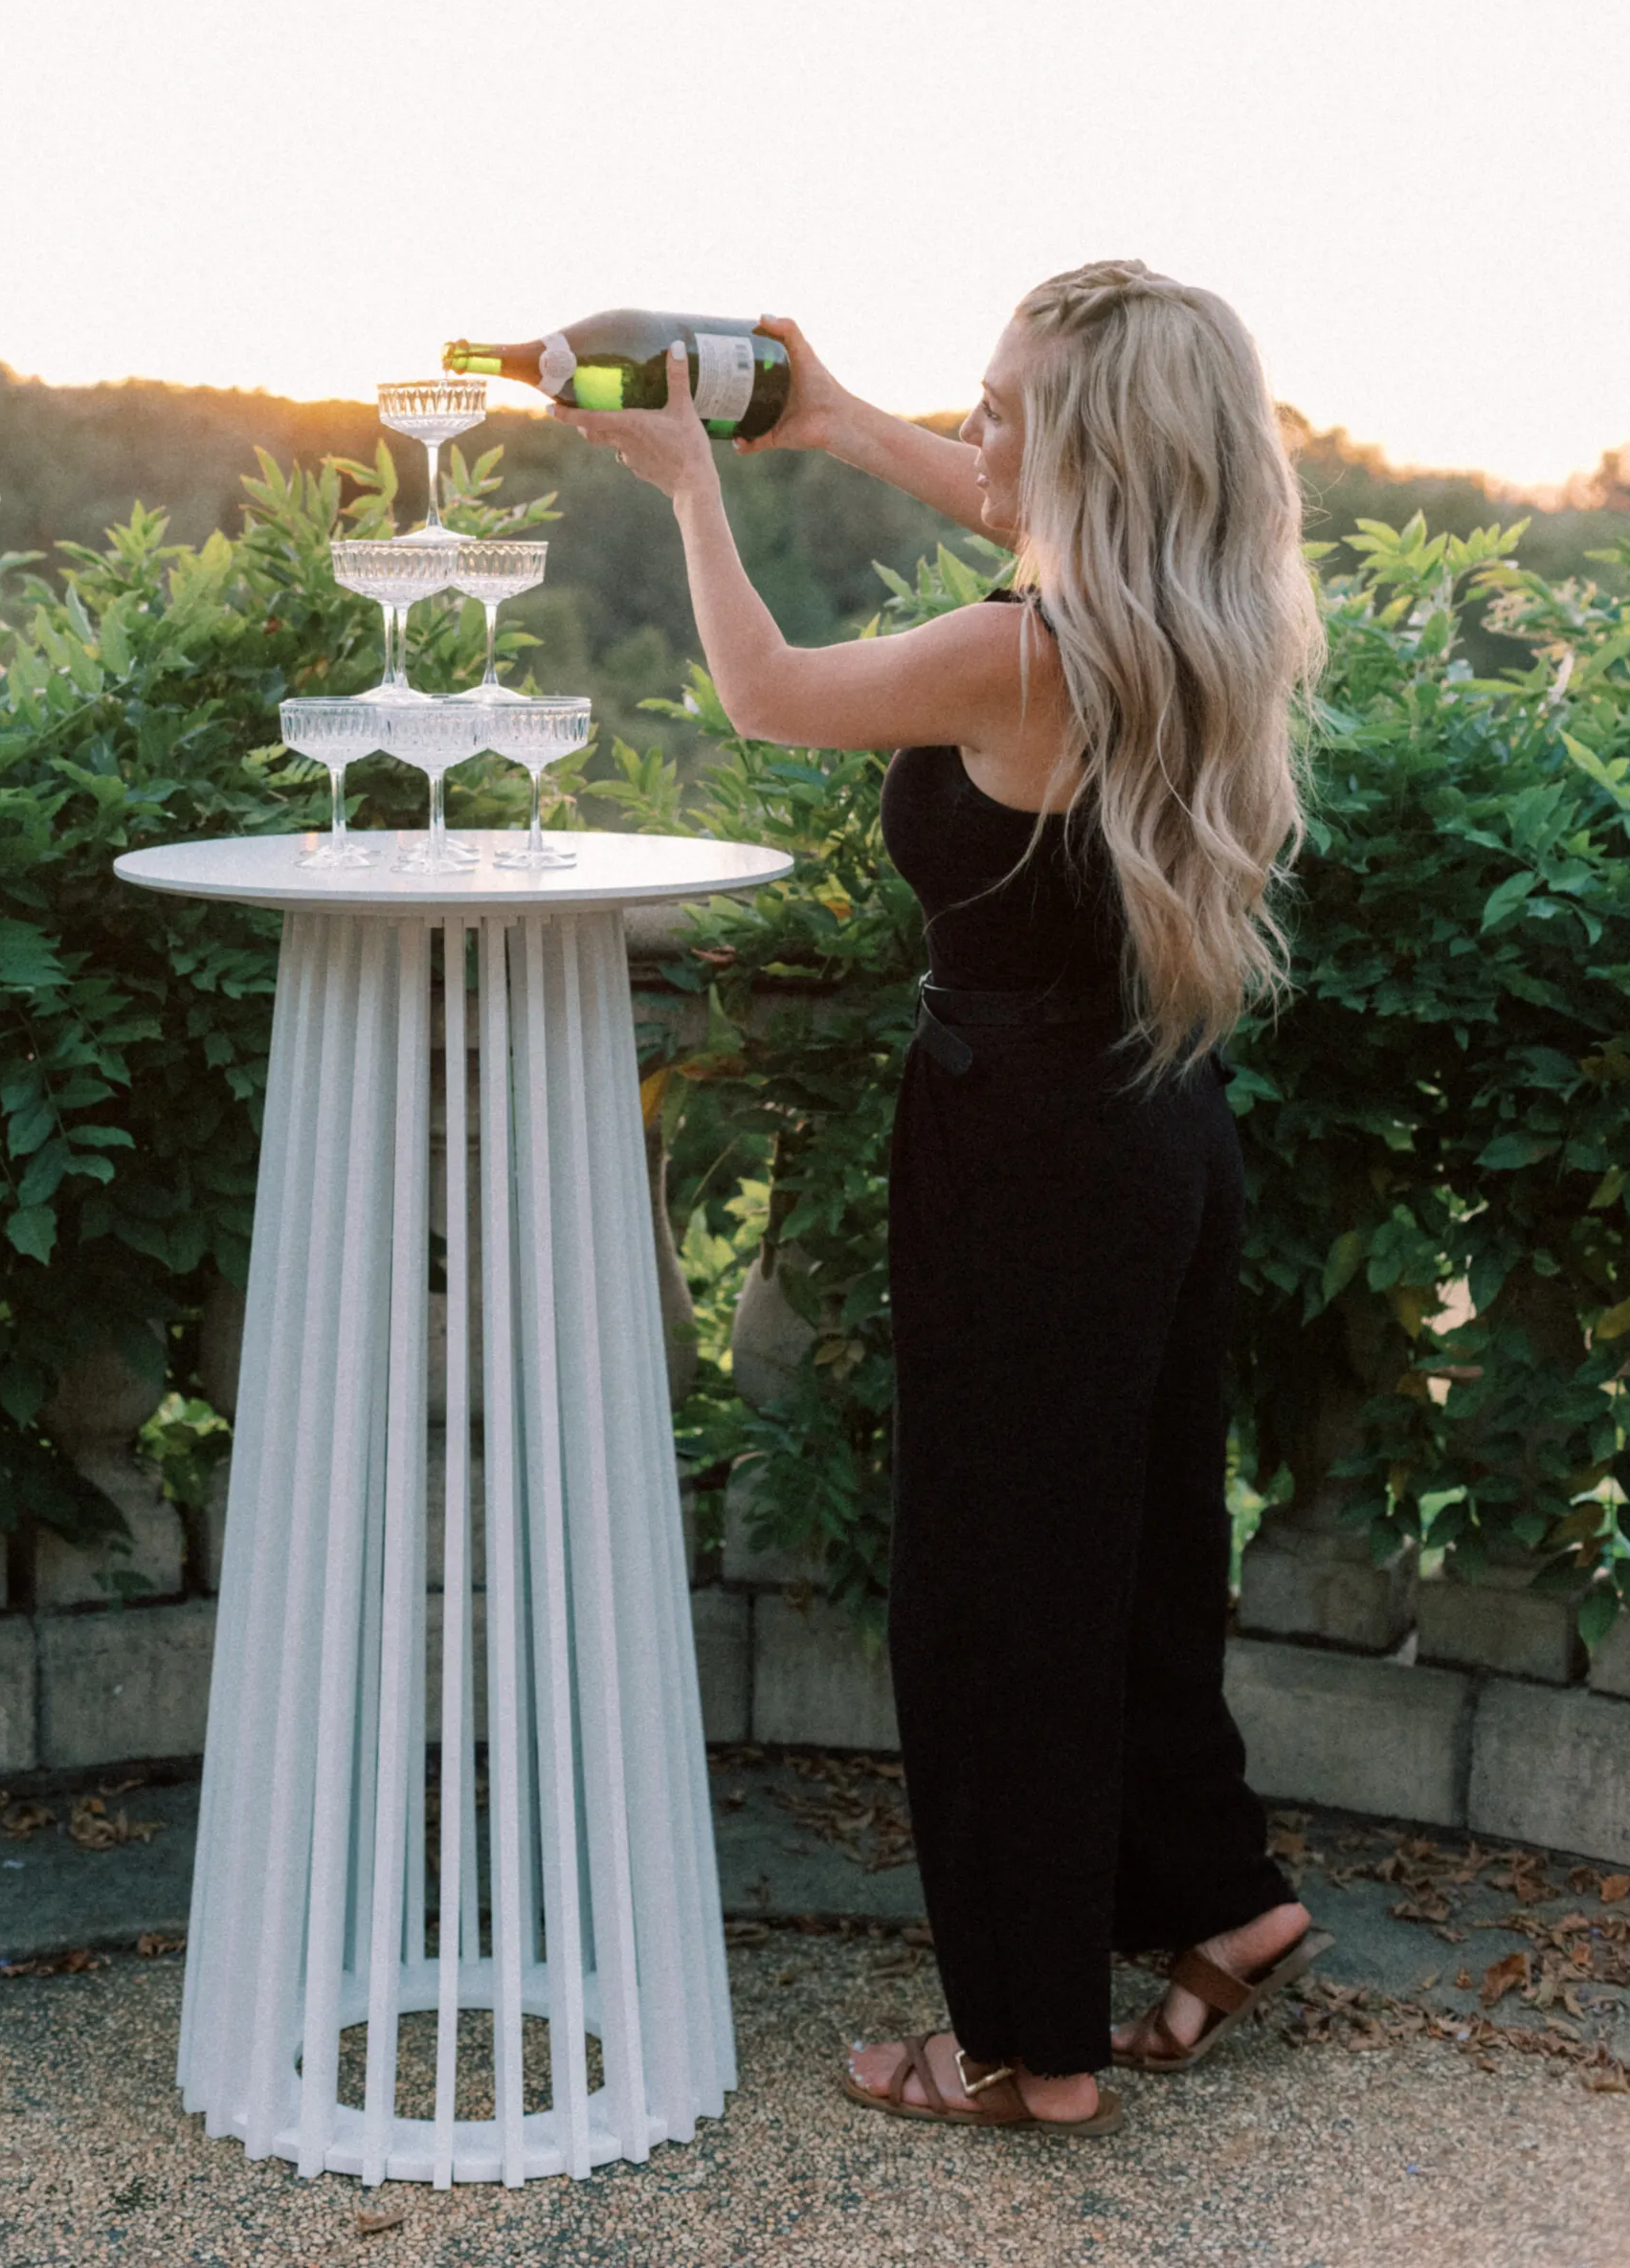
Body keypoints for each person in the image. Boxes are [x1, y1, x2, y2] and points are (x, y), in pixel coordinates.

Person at [561, 263, 1327, 2137]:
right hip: (1156, 1125)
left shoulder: (1028, 656)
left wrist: (689, 484)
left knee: (996, 1602)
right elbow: (1013, 503)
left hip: (1034, 1161)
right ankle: (1227, 1904)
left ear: (1096, 452)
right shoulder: (1202, 611)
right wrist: (821, 417)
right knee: (1131, 1557)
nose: (976, 441)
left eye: (1006, 411)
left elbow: (764, 695)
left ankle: (1024, 2049)